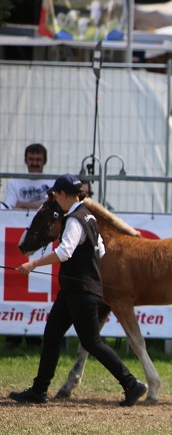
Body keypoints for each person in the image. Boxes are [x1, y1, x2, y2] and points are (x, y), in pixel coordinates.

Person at [8, 174, 147, 407]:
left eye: (55, 195)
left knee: (92, 342)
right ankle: (39, 390)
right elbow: (100, 251)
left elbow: (65, 252)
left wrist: (33, 264)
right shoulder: (90, 218)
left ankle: (132, 385)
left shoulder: (73, 220)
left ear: (63, 195)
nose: (55, 200)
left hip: (80, 292)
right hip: (74, 290)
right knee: (52, 335)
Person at [2, 143, 50, 210]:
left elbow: (55, 206)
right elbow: (9, 209)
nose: (34, 163)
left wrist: (23, 204)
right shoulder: (14, 182)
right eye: (31, 159)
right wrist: (41, 204)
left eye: (38, 159)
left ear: (44, 161)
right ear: (25, 160)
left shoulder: (54, 182)